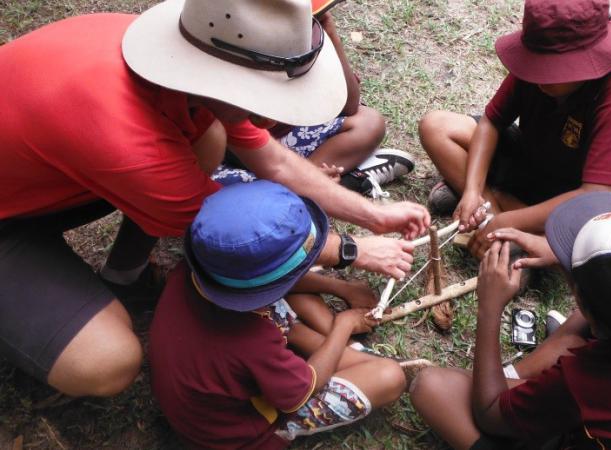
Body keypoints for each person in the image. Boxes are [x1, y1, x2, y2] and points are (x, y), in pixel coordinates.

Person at [0, 0, 429, 398]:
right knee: (107, 362)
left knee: (208, 138)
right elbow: (226, 224)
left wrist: (373, 214)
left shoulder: (187, 60)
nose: (272, 115)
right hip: (21, 213)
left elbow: (275, 163)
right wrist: (352, 251)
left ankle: (122, 275)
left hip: (37, 178)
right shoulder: (127, 140)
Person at [410, 192, 611, 449]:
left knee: (431, 387)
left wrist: (489, 309)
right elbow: (600, 308)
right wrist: (562, 255)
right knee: (572, 338)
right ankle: (515, 384)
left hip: (585, 413)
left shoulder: (589, 382)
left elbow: (489, 413)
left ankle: (514, 393)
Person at [149, 180, 407, 449]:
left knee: (296, 307)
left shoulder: (203, 270)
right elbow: (304, 390)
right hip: (241, 436)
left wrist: (340, 287)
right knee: (390, 376)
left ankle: (337, 349)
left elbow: (277, 284)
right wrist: (343, 324)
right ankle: (335, 361)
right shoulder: (250, 341)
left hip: (198, 386)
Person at [419, 0, 611, 258]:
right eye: (536, 65)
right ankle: (494, 210)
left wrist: (507, 221)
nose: (539, 78)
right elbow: (491, 123)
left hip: (570, 199)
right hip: (526, 164)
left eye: (551, 70)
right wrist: (472, 190)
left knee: (597, 237)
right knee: (435, 126)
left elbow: (596, 193)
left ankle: (514, 228)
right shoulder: (532, 69)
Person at [216, 11, 416, 198]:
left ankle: (303, 186)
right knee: (216, 197)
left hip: (293, 143)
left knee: (369, 123)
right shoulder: (223, 32)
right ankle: (328, 186)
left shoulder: (306, 31)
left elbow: (350, 106)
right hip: (234, 153)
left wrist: (328, 32)